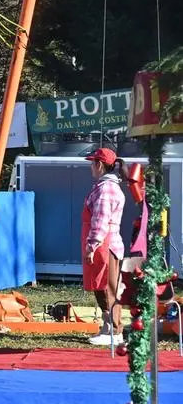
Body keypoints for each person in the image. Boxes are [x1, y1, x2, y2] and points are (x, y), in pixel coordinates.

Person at [82, 147, 127, 346]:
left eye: (93, 162)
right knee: (102, 286)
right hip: (107, 243)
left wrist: (92, 245)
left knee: (107, 287)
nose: (91, 167)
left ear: (99, 165)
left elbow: (100, 220)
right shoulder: (106, 186)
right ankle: (108, 326)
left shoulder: (105, 189)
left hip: (105, 243)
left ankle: (115, 330)